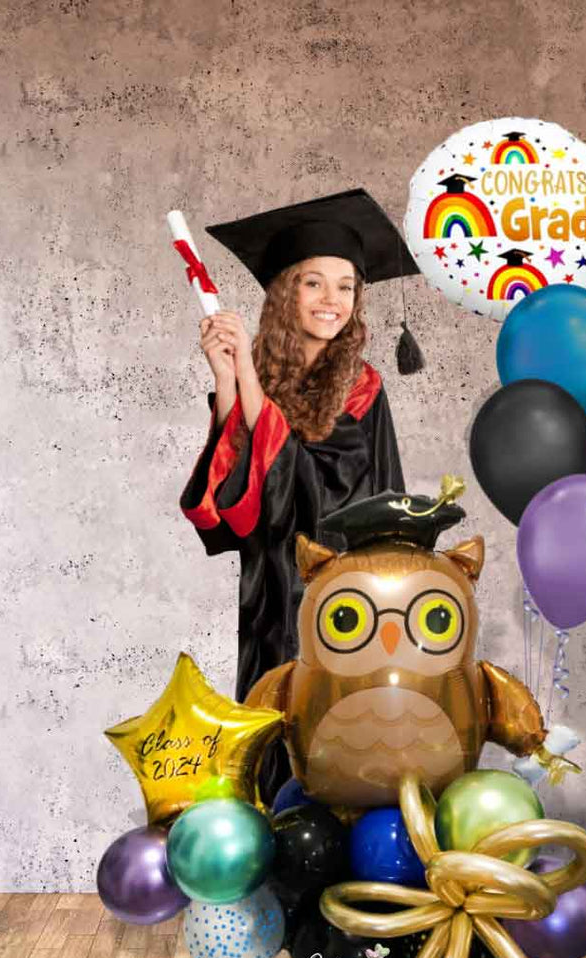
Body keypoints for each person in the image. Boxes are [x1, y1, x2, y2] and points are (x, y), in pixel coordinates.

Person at [180, 189, 421, 798]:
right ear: (286, 292)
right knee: (269, 735)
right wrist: (228, 384)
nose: (331, 301)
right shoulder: (254, 370)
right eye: (314, 283)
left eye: (346, 286)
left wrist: (248, 382)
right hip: (269, 595)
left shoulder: (362, 387)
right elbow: (234, 507)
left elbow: (323, 493)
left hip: (339, 599)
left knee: (338, 742)